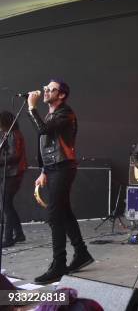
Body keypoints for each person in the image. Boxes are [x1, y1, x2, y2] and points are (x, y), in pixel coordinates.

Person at [26, 79, 94, 284]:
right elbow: (44, 143)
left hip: (63, 168)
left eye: (51, 89)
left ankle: (59, 264)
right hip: (54, 168)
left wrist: (31, 107)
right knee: (64, 213)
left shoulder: (65, 113)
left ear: (62, 94)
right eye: (45, 88)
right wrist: (43, 170)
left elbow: (43, 130)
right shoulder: (52, 113)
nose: (45, 91)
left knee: (54, 216)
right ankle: (81, 253)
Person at [0, 111, 27, 247]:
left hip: (13, 173)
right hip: (10, 173)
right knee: (7, 205)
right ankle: (19, 234)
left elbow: (15, 156)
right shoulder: (9, 134)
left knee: (5, 205)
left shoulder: (13, 134)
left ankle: (8, 238)